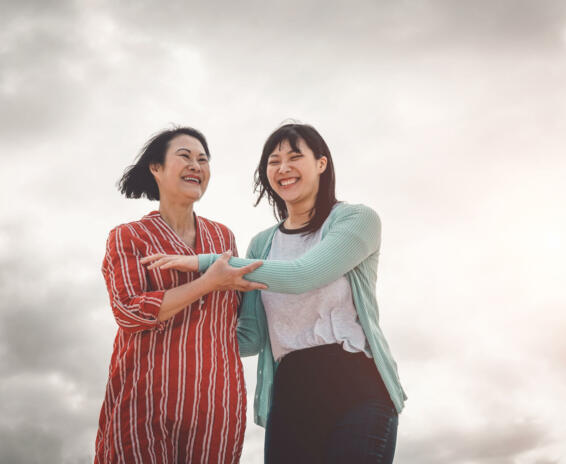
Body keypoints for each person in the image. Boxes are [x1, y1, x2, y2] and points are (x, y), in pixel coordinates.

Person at [143, 123, 407, 463]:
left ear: (321, 164)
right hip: (290, 394)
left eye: (295, 157)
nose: (283, 169)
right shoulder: (261, 244)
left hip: (356, 388)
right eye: (274, 160)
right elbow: (250, 337)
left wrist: (204, 263)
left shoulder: (357, 219)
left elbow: (304, 275)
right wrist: (169, 330)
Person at [95, 127, 266, 464]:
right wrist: (207, 283)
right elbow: (129, 311)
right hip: (145, 402)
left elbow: (236, 321)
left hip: (217, 403)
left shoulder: (223, 237)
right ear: (156, 169)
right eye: (185, 156)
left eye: (203, 159)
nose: (196, 165)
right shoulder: (129, 236)